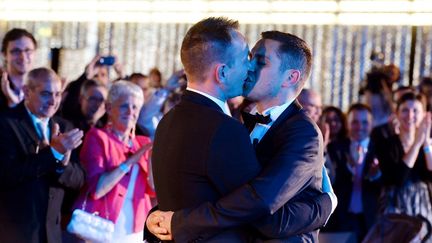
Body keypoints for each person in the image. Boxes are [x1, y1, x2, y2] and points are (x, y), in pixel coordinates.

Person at [146, 18, 334, 242]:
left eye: (260, 61)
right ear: (222, 72)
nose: (250, 66)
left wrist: (171, 221)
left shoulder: (304, 133)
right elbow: (216, 193)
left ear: (291, 77)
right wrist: (325, 205)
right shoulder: (228, 126)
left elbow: (264, 212)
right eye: (249, 58)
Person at [0, 67, 85, 243]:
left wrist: (62, 164)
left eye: (58, 94)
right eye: (46, 94)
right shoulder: (6, 123)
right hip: (15, 233)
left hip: (52, 234)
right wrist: (53, 153)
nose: (53, 101)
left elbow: (79, 180)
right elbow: (6, 175)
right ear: (26, 91)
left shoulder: (65, 127)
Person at [73, 81, 154, 242]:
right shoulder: (97, 137)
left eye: (135, 107)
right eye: (125, 106)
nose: (131, 112)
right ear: (109, 108)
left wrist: (155, 161)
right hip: (103, 227)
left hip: (136, 229)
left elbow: (153, 190)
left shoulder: (143, 143)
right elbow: (98, 189)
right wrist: (131, 160)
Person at [371, 92, 432, 241]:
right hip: (394, 215)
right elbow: (398, 178)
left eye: (415, 110)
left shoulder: (428, 146)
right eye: (405, 110)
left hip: (423, 213)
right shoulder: (386, 144)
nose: (410, 115)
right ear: (397, 114)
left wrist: (425, 144)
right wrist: (417, 143)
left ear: (424, 115)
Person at [325, 103, 382, 241]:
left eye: (365, 122)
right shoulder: (335, 148)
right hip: (340, 218)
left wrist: (376, 175)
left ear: (372, 124)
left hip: (370, 218)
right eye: (355, 122)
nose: (360, 127)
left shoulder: (381, 149)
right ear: (348, 123)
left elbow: (389, 183)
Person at [1, 28, 37, 111]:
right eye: (16, 51)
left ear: (35, 53)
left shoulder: (42, 88)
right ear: (4, 55)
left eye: (28, 51)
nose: (23, 57)